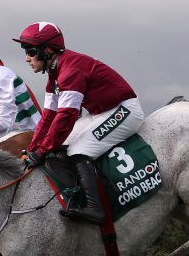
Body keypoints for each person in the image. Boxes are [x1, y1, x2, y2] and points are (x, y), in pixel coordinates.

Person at [14, 21, 144, 224]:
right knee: (60, 148)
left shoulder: (70, 69)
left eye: (30, 51)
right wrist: (33, 149)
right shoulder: (54, 75)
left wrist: (41, 151)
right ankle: (75, 195)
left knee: (78, 150)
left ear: (47, 50)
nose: (26, 58)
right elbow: (48, 117)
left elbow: (65, 117)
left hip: (125, 110)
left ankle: (95, 207)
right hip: (101, 113)